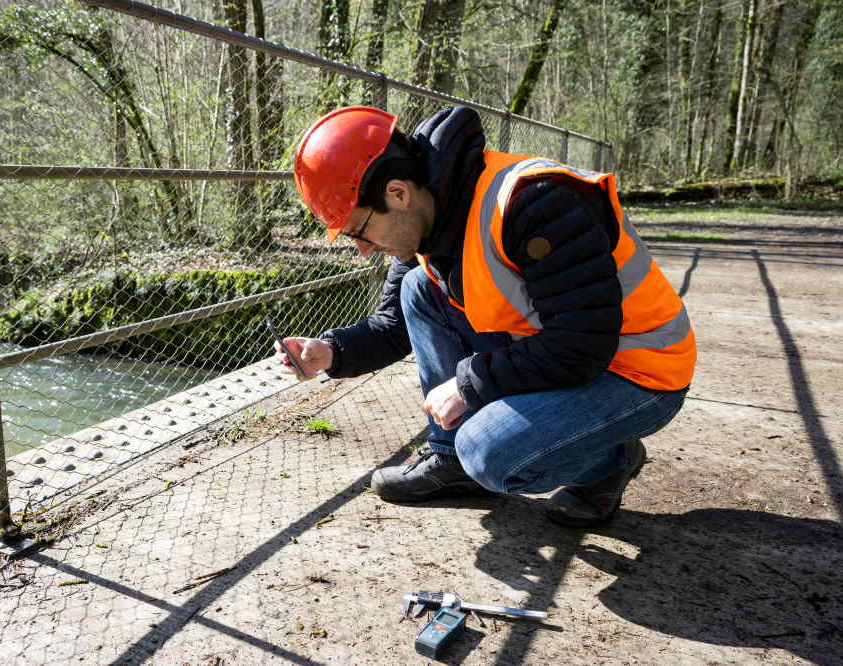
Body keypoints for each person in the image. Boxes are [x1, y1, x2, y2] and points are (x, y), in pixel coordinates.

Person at [276, 105, 696, 527]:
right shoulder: (424, 222)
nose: (362, 249)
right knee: (418, 287)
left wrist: (468, 384)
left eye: (357, 230)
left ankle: (608, 464)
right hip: (562, 352)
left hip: (638, 373)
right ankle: (450, 458)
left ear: (397, 193)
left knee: (487, 453)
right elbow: (392, 328)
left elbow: (582, 343)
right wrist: (330, 351)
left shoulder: (532, 201)